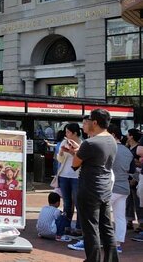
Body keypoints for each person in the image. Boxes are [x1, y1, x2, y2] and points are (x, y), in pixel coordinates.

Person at [64, 108, 119, 261]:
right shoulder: (112, 140)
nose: (85, 124)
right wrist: (79, 151)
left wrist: (74, 152)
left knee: (91, 229)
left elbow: (75, 164)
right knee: (107, 228)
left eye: (87, 121)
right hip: (105, 189)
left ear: (95, 122)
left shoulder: (90, 142)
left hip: (89, 189)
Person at [109, 129, 134, 253]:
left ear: (113, 135)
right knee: (120, 217)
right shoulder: (127, 151)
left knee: (98, 215)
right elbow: (132, 170)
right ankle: (117, 243)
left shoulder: (110, 149)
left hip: (110, 187)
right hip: (124, 188)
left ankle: (97, 241)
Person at [58, 123, 82, 236]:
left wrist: (72, 152)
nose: (66, 134)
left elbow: (82, 160)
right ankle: (66, 225)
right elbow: (59, 159)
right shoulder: (64, 142)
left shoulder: (82, 144)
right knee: (67, 203)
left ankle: (78, 227)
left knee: (78, 202)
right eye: (66, 132)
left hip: (77, 176)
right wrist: (62, 152)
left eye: (68, 132)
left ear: (75, 133)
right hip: (64, 175)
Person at [125, 129, 142, 233]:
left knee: (138, 201)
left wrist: (135, 179)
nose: (126, 136)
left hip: (136, 178)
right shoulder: (128, 147)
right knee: (128, 201)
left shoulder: (138, 149)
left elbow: (139, 164)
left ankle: (141, 223)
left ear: (131, 136)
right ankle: (129, 221)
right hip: (128, 177)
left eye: (128, 134)